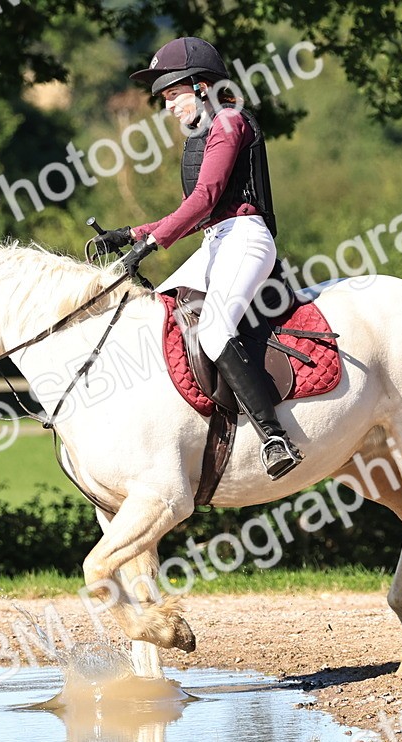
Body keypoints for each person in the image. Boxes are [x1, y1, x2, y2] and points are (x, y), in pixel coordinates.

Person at [91, 36, 302, 479]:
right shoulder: (201, 134)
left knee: (214, 327)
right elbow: (191, 216)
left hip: (246, 238)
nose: (167, 107)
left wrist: (150, 245)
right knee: (158, 314)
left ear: (202, 86)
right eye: (164, 98)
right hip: (217, 242)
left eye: (172, 95)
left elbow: (204, 200)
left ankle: (273, 437)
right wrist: (131, 234)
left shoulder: (228, 122)